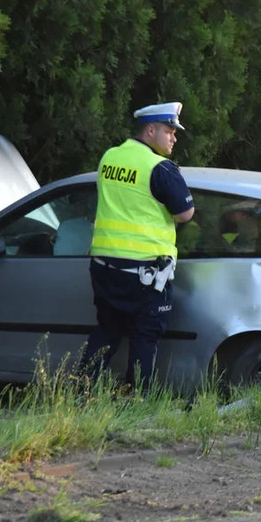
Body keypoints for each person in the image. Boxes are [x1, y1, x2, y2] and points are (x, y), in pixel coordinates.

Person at [81, 102, 195, 392]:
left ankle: (78, 392)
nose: (174, 137)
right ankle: (137, 400)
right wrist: (174, 177)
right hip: (144, 273)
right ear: (151, 130)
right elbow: (185, 214)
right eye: (170, 131)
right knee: (145, 337)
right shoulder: (160, 168)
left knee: (107, 330)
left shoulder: (110, 157)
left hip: (105, 267)